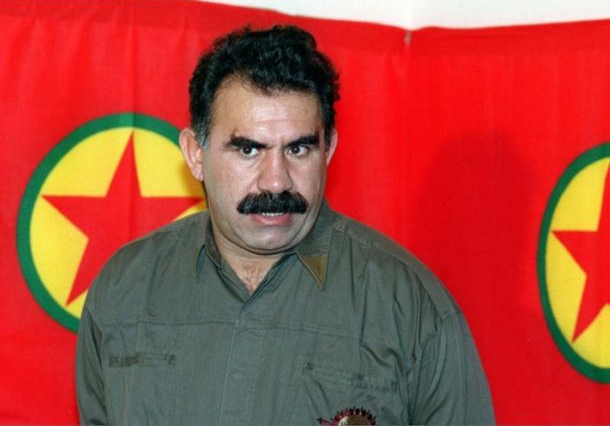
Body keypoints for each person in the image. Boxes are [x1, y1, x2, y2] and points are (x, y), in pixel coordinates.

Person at [76, 25, 495, 425]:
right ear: (195, 154)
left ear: (328, 149)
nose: (276, 181)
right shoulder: (125, 288)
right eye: (249, 150)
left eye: (298, 149)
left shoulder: (409, 306)